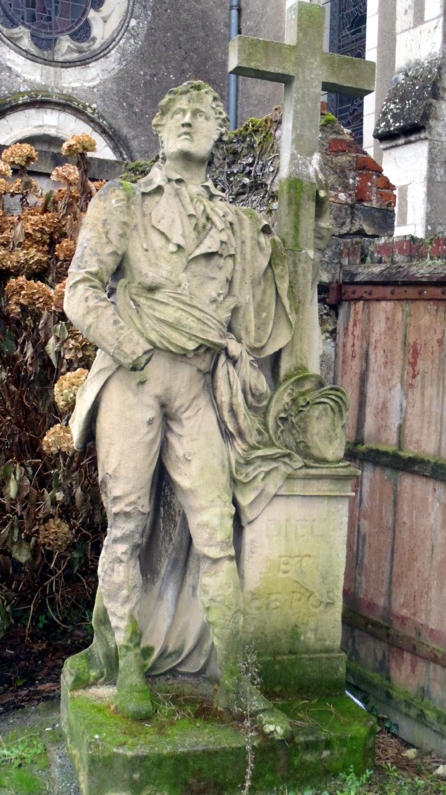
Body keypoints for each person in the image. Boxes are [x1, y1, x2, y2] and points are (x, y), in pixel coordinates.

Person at [62, 82, 308, 737]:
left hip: (198, 384)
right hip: (134, 377)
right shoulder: (123, 202)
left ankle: (236, 682)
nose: (194, 123)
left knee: (215, 532)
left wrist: (287, 240)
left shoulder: (232, 223)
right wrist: (131, 349)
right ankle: (132, 663)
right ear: (161, 126)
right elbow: (81, 293)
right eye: (181, 114)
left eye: (206, 116)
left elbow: (261, 304)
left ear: (216, 135)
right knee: (129, 522)